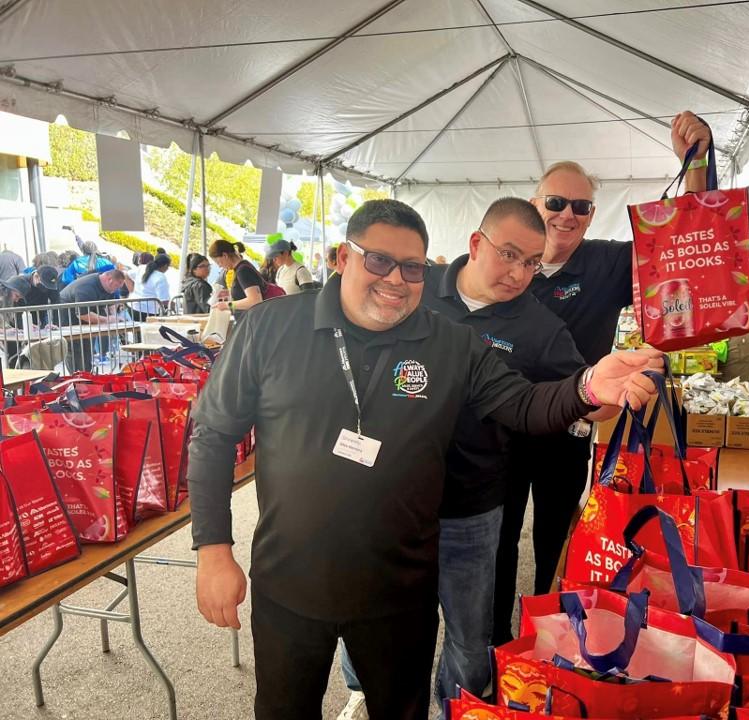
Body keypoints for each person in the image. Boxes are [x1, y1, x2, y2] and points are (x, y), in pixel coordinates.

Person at [187, 199, 661, 720]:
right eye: (379, 260)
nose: (396, 279)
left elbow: (524, 405)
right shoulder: (271, 328)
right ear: (344, 257)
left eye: (412, 267)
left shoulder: (450, 344)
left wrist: (588, 385)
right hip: (291, 582)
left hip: (399, 591)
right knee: (284, 710)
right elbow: (212, 434)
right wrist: (213, 549)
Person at [492, 112, 713, 644]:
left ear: (591, 216)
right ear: (534, 203)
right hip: (496, 427)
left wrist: (698, 163)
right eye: (555, 203)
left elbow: (684, 239)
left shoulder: (605, 263)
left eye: (581, 206)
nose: (566, 215)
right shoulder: (503, 261)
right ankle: (494, 641)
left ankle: (542, 641)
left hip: (569, 424)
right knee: (495, 544)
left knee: (556, 540)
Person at [418, 197, 621, 711]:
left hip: (476, 499)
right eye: (508, 254)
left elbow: (565, 394)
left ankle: (459, 706)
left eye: (531, 262)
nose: (518, 273)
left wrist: (600, 391)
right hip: (399, 495)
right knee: (386, 617)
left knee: (471, 632)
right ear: (475, 244)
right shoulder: (416, 292)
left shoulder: (539, 326)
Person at [58, 269, 128, 371]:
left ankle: (87, 375)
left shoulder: (108, 287)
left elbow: (111, 302)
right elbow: (83, 314)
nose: (116, 289)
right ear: (109, 280)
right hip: (67, 316)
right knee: (74, 348)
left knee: (87, 347)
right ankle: (76, 377)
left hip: (85, 317)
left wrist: (115, 317)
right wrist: (107, 319)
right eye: (116, 286)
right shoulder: (87, 287)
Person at [207, 240, 265, 316]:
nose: (219, 266)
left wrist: (227, 305)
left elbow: (255, 300)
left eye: (218, 262)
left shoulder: (243, 271)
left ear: (225, 255)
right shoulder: (243, 267)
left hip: (253, 320)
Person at [128, 252, 172, 319]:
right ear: (165, 266)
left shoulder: (142, 267)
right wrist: (173, 305)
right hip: (148, 312)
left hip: (132, 306)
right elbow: (164, 300)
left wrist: (132, 290)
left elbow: (126, 274)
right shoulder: (161, 277)